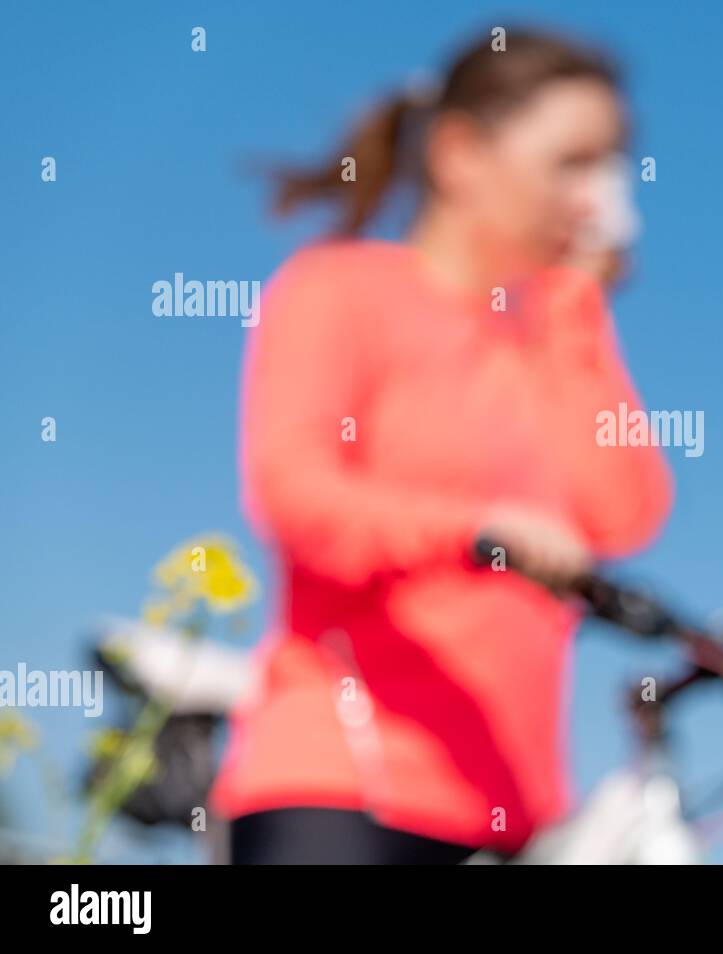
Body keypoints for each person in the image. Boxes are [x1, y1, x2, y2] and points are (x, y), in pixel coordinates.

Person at [211, 28, 673, 864]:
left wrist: (575, 310)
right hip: (345, 791)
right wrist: (473, 532)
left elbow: (622, 516)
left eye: (611, 167)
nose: (598, 197)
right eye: (573, 162)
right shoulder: (339, 291)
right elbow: (295, 494)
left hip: (512, 815)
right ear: (462, 154)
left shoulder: (544, 341)